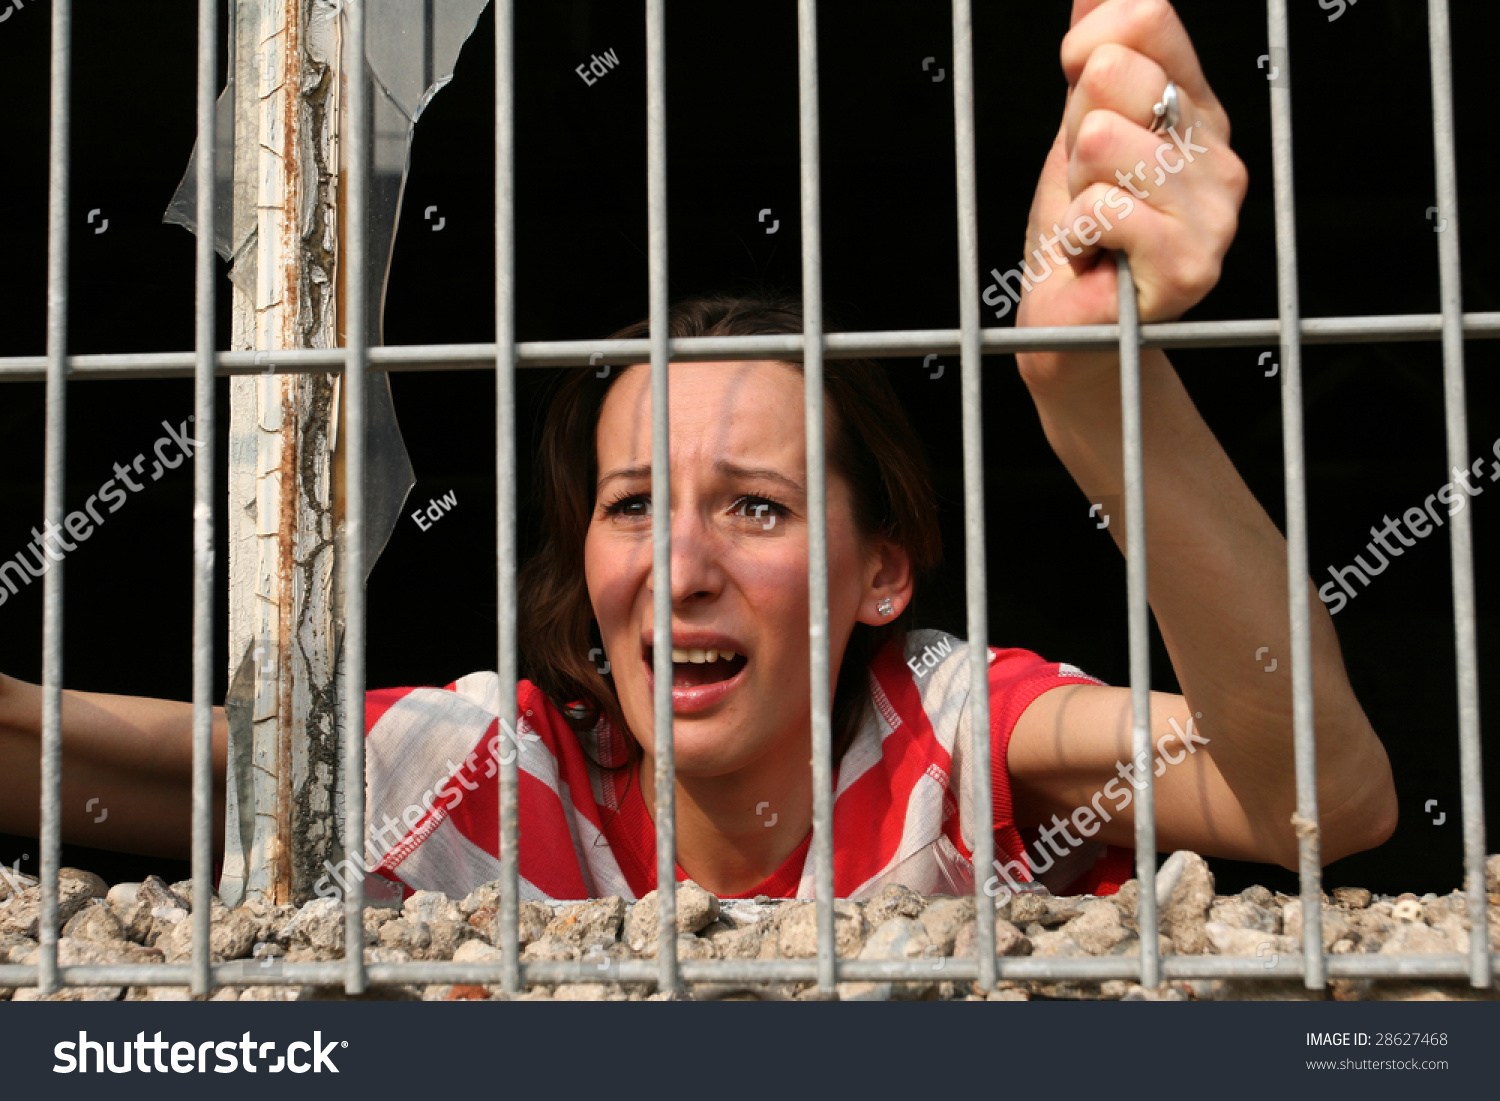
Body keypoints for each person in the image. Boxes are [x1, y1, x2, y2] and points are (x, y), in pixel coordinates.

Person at [0, 0, 1396, 904]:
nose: (680, 566)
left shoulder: (950, 727)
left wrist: (1094, 397)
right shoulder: (496, 761)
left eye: (759, 509)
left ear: (883, 573)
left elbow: (1322, 801)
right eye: (631, 504)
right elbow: (117, 764)